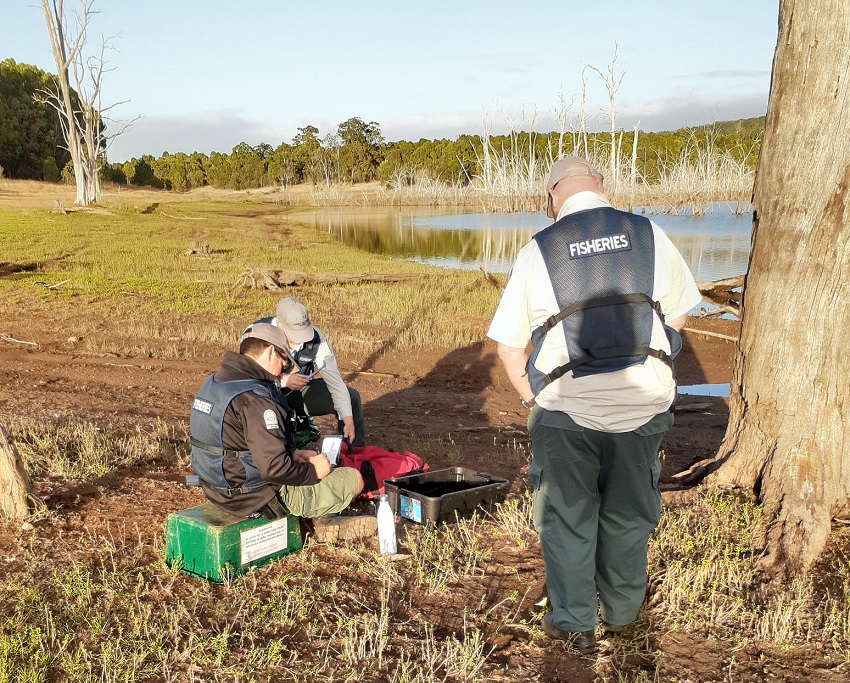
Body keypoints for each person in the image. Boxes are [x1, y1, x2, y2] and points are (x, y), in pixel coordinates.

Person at [487, 155, 702, 654]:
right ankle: (624, 613)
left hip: (566, 411)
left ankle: (574, 624)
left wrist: (533, 398)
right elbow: (683, 311)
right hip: (643, 409)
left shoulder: (539, 250)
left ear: (553, 195)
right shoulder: (649, 233)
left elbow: (508, 345)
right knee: (628, 515)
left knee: (566, 519)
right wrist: (655, 361)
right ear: (601, 188)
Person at [189, 321, 375, 541]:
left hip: (217, 490)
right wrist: (314, 472)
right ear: (269, 352)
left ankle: (322, 517)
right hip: (254, 498)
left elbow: (238, 444)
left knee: (307, 464)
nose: (284, 368)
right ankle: (323, 520)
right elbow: (274, 469)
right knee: (352, 478)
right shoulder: (257, 400)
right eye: (284, 360)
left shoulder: (214, 382)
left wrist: (293, 454)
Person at [263, 297, 366, 447]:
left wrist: (348, 421)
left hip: (297, 394)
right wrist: (282, 380)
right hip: (264, 396)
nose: (300, 339)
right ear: (279, 324)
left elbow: (335, 383)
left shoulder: (317, 339)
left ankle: (353, 456)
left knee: (351, 397)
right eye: (293, 332)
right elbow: (245, 377)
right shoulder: (258, 333)